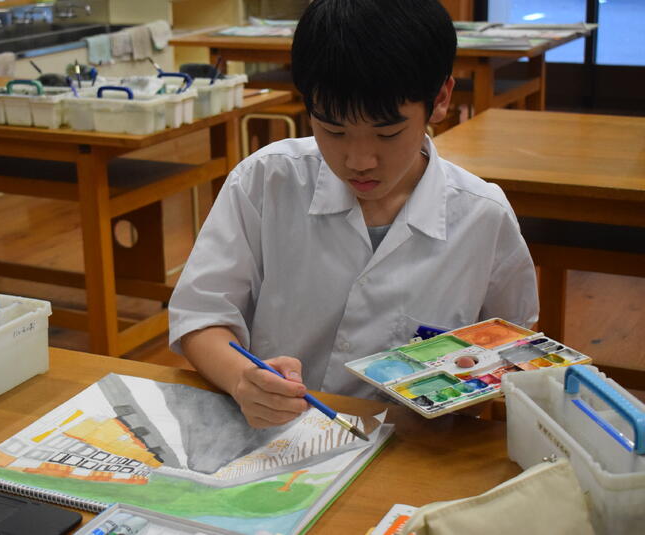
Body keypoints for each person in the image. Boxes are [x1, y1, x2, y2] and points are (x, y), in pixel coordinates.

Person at [168, 0, 538, 429]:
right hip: (276, 432)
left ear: (439, 100)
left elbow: (513, 346)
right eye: (333, 130)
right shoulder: (267, 181)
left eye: (388, 133)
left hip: (414, 446)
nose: (359, 161)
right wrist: (242, 379)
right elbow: (201, 316)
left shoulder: (482, 216)